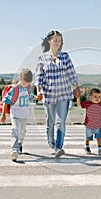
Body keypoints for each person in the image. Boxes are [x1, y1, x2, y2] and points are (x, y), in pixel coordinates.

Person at [35, 30, 80, 158]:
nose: (58, 43)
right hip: (48, 94)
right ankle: (51, 143)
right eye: (55, 40)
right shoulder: (42, 58)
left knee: (61, 121)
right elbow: (39, 77)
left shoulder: (65, 56)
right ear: (49, 41)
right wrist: (39, 91)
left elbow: (72, 73)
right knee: (50, 122)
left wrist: (76, 87)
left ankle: (59, 147)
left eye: (59, 41)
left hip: (64, 94)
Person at [0, 68, 41, 162]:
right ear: (19, 79)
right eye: (23, 83)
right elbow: (6, 100)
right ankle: (14, 150)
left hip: (24, 114)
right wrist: (3, 115)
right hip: (15, 113)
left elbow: (29, 95)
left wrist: (35, 97)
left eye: (27, 83)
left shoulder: (27, 87)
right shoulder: (14, 89)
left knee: (22, 132)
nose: (25, 85)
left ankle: (20, 143)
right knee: (15, 131)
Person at [76, 88, 101, 156]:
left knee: (99, 138)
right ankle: (87, 146)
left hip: (98, 125)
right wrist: (78, 97)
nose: (97, 98)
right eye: (95, 96)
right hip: (89, 125)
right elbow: (79, 104)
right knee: (88, 137)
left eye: (99, 97)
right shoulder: (87, 103)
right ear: (90, 97)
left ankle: (100, 149)